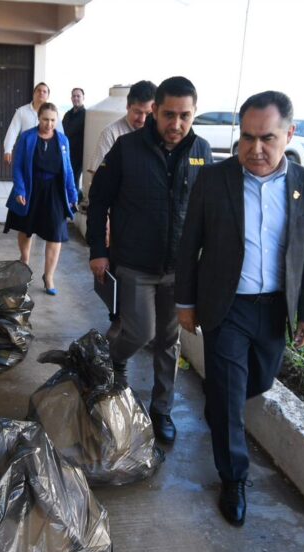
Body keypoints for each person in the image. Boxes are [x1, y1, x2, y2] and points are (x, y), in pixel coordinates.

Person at [175, 90, 304, 527]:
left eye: (267, 138)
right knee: (228, 399)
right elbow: (190, 247)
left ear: (289, 134)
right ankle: (234, 478)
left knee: (258, 380)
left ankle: (221, 402)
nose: (255, 149)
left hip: (275, 309)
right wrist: (186, 303)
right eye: (246, 138)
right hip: (228, 308)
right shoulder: (214, 179)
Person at [87, 76, 212, 445]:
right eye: (168, 114)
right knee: (140, 332)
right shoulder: (127, 149)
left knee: (170, 342)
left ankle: (161, 409)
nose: (176, 124)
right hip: (134, 264)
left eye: (184, 116)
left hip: (179, 269)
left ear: (193, 114)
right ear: (154, 110)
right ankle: (111, 361)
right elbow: (99, 202)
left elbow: (209, 213)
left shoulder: (202, 150)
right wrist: (98, 250)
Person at [4, 103, 78, 295]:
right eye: (45, 119)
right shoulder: (27, 138)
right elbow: (18, 166)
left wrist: (72, 193)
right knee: (26, 229)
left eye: (53, 120)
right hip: (31, 187)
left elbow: (68, 169)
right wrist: (20, 189)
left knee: (56, 233)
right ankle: (25, 262)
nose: (49, 124)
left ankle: (49, 276)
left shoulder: (62, 141)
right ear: (38, 118)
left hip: (54, 190)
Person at [85, 80, 156, 180]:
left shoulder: (158, 133)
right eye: (137, 112)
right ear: (127, 106)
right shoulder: (111, 133)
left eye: (148, 114)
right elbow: (98, 177)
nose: (142, 119)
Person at [3, 82, 61, 165]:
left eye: (44, 91)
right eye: (39, 90)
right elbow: (13, 131)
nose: (41, 93)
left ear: (48, 96)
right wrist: (8, 149)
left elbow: (60, 134)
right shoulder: (22, 111)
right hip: (26, 153)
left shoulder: (53, 113)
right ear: (34, 93)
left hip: (47, 154)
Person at [62, 87, 87, 201]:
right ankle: (70, 201)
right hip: (65, 153)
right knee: (65, 178)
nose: (76, 98)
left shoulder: (87, 115)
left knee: (73, 180)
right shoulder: (67, 114)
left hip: (78, 155)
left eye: (78, 96)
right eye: (74, 96)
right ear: (71, 98)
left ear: (83, 98)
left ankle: (74, 204)